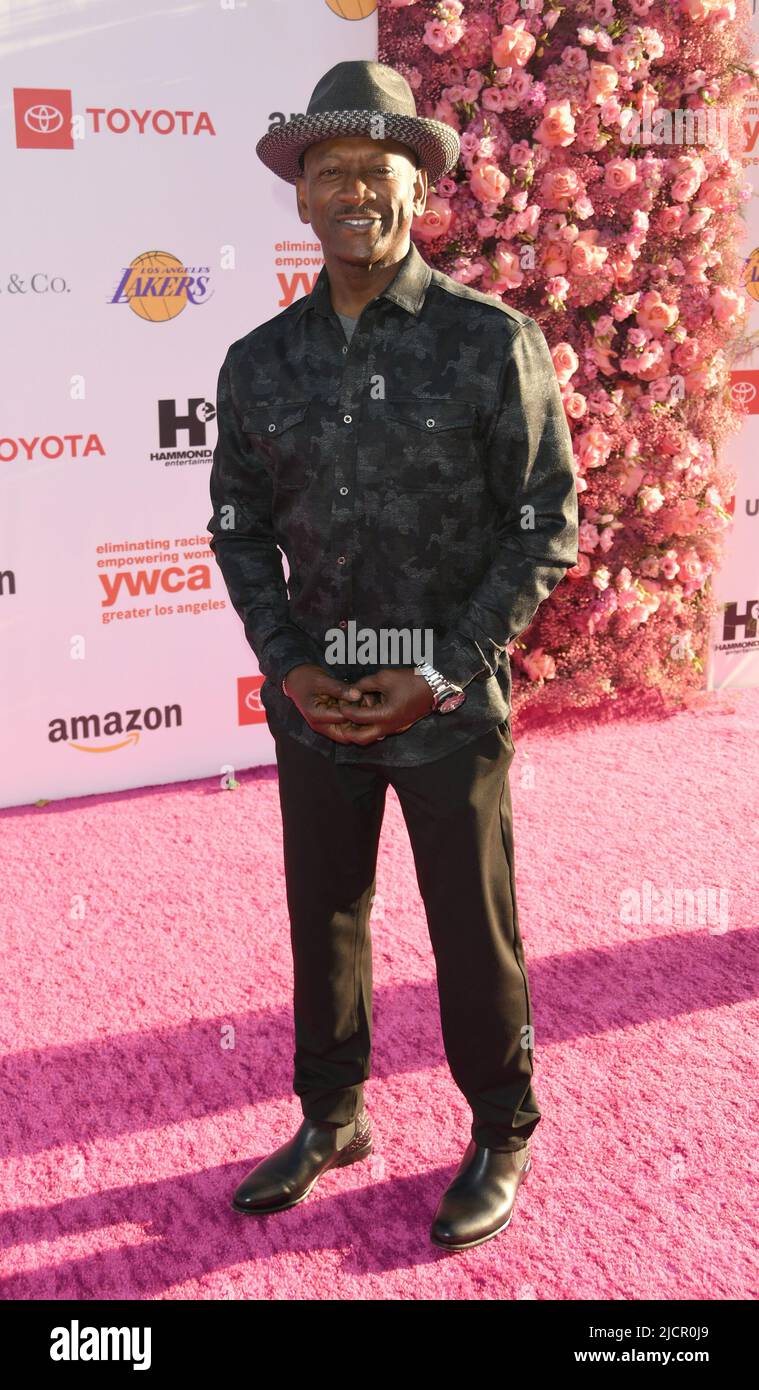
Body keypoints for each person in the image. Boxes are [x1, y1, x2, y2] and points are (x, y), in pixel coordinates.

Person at [207, 60, 578, 1251]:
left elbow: (546, 524)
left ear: (419, 191)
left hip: (447, 701)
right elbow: (238, 525)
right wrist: (286, 662)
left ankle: (500, 1129)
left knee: (473, 925)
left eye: (379, 171)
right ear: (302, 198)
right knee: (324, 916)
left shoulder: (489, 344)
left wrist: (448, 666)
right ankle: (332, 1114)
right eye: (330, 173)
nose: (354, 190)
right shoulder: (259, 362)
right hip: (316, 704)